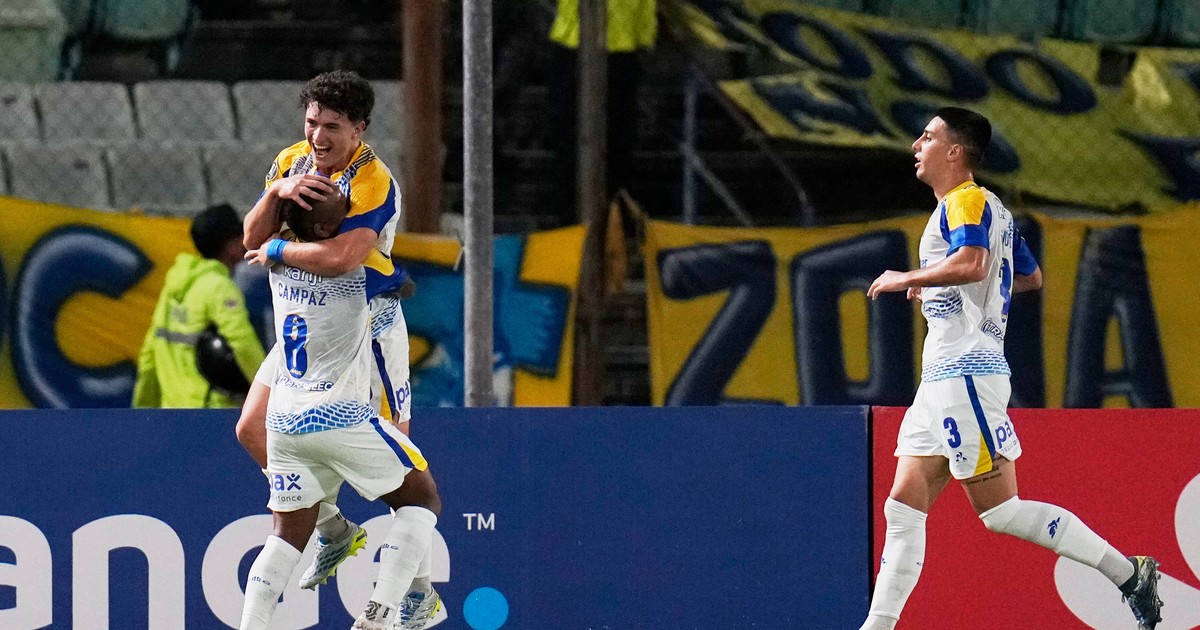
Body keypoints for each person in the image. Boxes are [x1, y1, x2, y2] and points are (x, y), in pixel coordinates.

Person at [861, 107, 1163, 630]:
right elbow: (1028, 276)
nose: (916, 145)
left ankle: (1129, 574)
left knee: (1000, 511)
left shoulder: (966, 201)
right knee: (902, 507)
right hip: (940, 381)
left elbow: (975, 264)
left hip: (966, 375)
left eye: (927, 136)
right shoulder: (991, 208)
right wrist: (939, 285)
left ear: (955, 151)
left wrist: (909, 276)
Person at [235, 69, 443, 627]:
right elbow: (251, 236)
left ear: (359, 129)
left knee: (398, 458)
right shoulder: (291, 161)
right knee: (250, 428)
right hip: (310, 319)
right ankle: (333, 528)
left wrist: (277, 249)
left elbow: (343, 257)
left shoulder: (374, 180)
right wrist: (276, 193)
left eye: (331, 127)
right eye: (311, 123)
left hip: (368, 327)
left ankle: (417, 593)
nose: (317, 137)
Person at [133, 203, 266, 408]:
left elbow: (149, 354)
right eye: (240, 238)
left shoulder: (174, 285)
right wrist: (269, 394)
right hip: (210, 410)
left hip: (172, 411)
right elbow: (242, 341)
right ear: (230, 245)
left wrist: (142, 410)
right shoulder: (219, 287)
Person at [546, 0, 656, 226]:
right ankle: (606, 221)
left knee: (573, 140)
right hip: (613, 46)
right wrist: (645, 37)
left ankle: (580, 220)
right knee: (614, 144)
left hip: (581, 42)